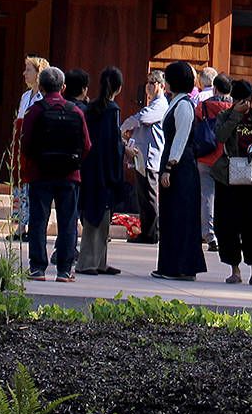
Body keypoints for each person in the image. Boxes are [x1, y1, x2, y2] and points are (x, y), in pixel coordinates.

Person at [17, 65, 91, 282]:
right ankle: (65, 270)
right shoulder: (76, 111)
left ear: (40, 87)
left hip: (40, 173)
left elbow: (25, 144)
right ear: (63, 87)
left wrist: (36, 160)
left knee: (38, 221)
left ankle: (37, 268)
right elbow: (87, 145)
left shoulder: (34, 111)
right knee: (68, 222)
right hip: (69, 174)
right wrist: (75, 162)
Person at [211, 78, 252, 286]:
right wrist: (235, 115)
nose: (247, 104)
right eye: (242, 101)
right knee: (227, 225)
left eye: (249, 100)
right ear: (234, 99)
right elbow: (220, 137)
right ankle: (234, 269)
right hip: (227, 178)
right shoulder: (224, 116)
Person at [153, 61, 206, 281]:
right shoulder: (176, 102)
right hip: (175, 164)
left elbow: (181, 139)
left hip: (180, 167)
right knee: (170, 215)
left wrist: (169, 167)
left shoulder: (184, 105)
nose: (164, 82)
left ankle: (181, 268)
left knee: (180, 215)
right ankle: (169, 265)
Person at [77, 66, 126, 276]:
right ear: (119, 87)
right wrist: (125, 150)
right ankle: (88, 262)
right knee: (101, 215)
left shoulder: (92, 108)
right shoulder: (112, 110)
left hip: (90, 166)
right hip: (105, 169)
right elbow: (113, 145)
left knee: (93, 213)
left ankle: (98, 261)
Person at [7, 55, 50, 242]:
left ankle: (34, 226)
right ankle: (20, 226)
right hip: (20, 147)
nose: (24, 74)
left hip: (34, 147)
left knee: (33, 187)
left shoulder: (44, 98)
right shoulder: (25, 96)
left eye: (28, 70)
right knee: (19, 186)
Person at [123, 70, 168, 243]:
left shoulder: (160, 105)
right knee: (143, 196)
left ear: (161, 86)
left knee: (150, 197)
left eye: (152, 83)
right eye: (147, 82)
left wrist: (123, 126)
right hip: (142, 157)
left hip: (151, 157)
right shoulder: (152, 104)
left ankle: (152, 233)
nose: (148, 86)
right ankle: (146, 231)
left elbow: (142, 118)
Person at [197, 71, 232, 251]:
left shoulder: (203, 106)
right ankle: (226, 233)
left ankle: (210, 236)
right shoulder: (235, 109)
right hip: (227, 158)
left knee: (207, 197)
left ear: (215, 88)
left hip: (206, 156)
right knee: (226, 198)